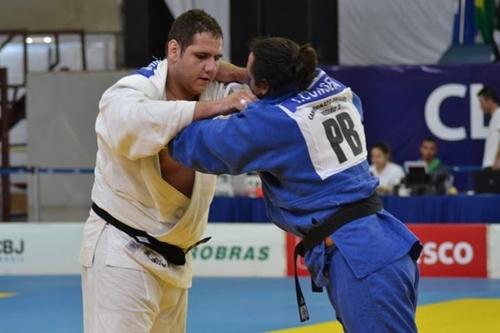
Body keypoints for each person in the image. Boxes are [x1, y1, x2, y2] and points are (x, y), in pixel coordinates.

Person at [170, 37, 422, 332]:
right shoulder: (336, 90)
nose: (241, 77)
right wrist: (241, 76)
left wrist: (202, 103)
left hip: (359, 257)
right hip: (380, 244)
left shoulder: (275, 124)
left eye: (248, 76)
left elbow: (190, 143)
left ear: (262, 87)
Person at [80, 9, 255, 333]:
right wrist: (213, 108)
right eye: (201, 55)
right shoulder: (132, 90)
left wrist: (243, 75)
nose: (211, 66)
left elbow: (256, 105)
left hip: (176, 260)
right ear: (173, 51)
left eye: (216, 58)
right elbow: (129, 125)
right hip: (123, 252)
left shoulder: (213, 88)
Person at [477, 86, 500, 170]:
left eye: (481, 102)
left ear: (489, 100)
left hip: (495, 166)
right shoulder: (495, 117)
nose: (480, 106)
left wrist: (497, 160)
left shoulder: (499, 114)